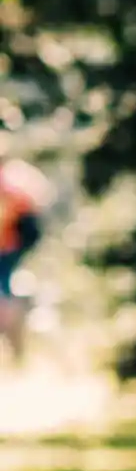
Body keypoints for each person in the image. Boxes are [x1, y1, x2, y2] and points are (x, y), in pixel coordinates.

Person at [0, 157, 48, 367]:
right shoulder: (15, 177)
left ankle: (13, 339)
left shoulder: (8, 184)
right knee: (6, 289)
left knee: (4, 292)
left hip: (9, 245)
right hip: (13, 244)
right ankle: (15, 344)